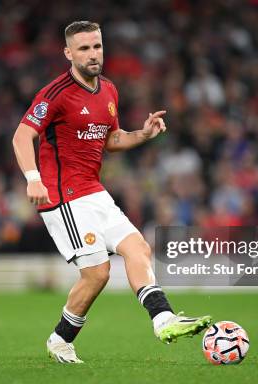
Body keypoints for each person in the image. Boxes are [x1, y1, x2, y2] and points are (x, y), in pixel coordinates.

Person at [12, 21, 211, 364]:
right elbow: (21, 135)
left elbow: (112, 139)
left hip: (94, 191)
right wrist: (33, 178)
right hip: (63, 196)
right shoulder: (55, 93)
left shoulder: (109, 91)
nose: (93, 54)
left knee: (138, 247)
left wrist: (144, 134)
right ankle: (60, 339)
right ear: (68, 53)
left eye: (97, 46)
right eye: (84, 48)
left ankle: (164, 320)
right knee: (98, 273)